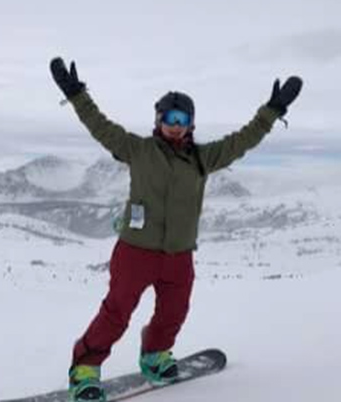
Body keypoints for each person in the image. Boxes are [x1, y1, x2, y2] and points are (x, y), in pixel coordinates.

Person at [49, 57, 302, 402]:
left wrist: (272, 111)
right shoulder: (137, 150)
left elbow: (243, 141)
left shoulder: (202, 158)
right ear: (158, 120)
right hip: (136, 251)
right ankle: (85, 369)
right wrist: (76, 95)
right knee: (116, 313)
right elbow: (99, 126)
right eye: (169, 118)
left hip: (179, 254)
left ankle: (155, 355)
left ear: (191, 124)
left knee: (174, 312)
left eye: (182, 120)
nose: (175, 126)